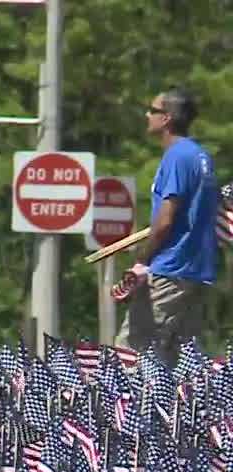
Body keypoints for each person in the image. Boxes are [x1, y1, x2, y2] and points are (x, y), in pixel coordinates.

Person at [115, 86, 217, 368]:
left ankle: (127, 412)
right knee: (177, 360)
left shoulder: (177, 156)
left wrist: (142, 261)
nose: (147, 115)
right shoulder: (201, 156)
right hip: (196, 272)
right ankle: (178, 413)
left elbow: (165, 220)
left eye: (153, 110)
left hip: (171, 270)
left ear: (167, 118)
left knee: (131, 354)